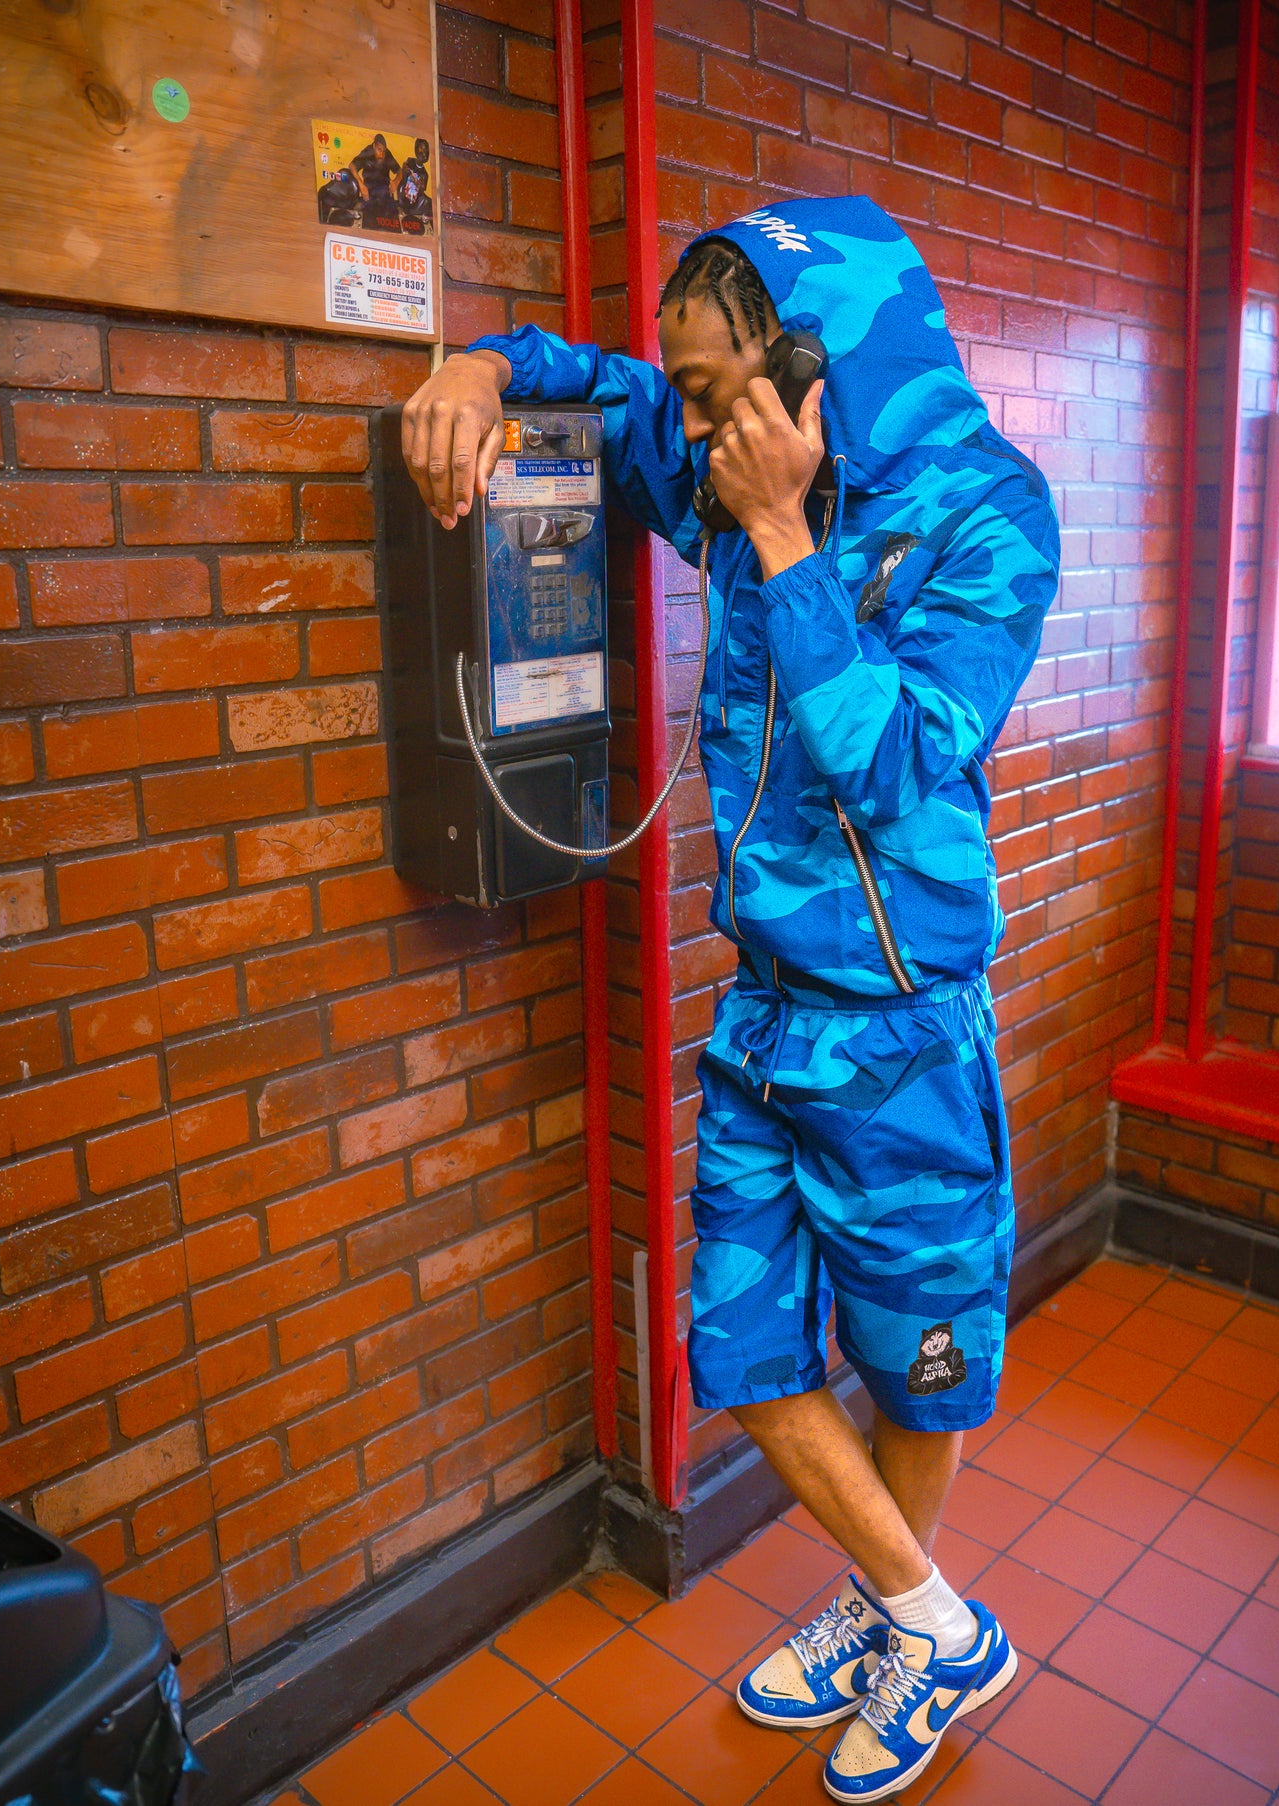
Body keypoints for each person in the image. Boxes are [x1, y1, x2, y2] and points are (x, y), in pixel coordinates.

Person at [401, 196, 1060, 1801]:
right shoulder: (725, 464)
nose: (685, 438)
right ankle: (934, 1618)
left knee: (911, 1357)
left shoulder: (988, 511)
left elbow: (892, 757)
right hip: (766, 1009)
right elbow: (606, 386)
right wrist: (482, 368)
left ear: (814, 372)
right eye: (689, 405)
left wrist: (778, 538)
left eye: (714, 399)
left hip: (899, 1025)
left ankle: (894, 1612)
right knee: (741, 1348)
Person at [349, 132, 401, 229]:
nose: (381, 154)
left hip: (384, 193)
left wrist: (396, 181)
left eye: (383, 151)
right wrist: (360, 184)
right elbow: (352, 166)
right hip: (369, 192)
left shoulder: (387, 154)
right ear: (374, 146)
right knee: (367, 222)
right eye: (379, 150)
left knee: (392, 223)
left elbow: (400, 171)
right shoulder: (367, 152)